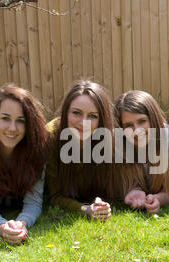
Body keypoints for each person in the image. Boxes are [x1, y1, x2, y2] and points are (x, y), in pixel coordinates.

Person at [0, 84, 48, 244]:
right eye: (5, 118)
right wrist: (1, 227)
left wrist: (22, 223)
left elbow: (33, 201)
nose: (12, 128)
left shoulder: (38, 150)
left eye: (20, 120)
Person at [45, 80, 116, 222]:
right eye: (76, 113)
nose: (84, 123)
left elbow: (105, 188)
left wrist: (99, 202)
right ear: (66, 113)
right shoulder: (50, 137)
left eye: (92, 116)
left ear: (101, 120)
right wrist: (84, 209)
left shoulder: (107, 138)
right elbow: (53, 196)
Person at [114, 90, 169, 214]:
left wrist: (158, 199)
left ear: (153, 118)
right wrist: (130, 191)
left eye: (142, 121)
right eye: (128, 125)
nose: (137, 130)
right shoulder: (116, 141)